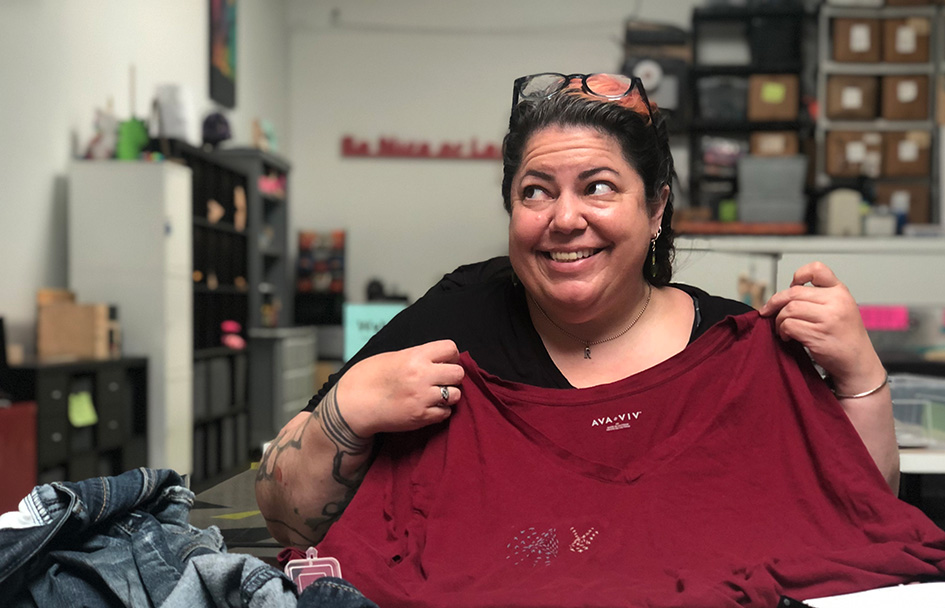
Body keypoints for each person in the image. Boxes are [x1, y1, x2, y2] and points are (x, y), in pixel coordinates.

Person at [255, 72, 899, 551]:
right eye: (535, 192)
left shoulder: (731, 354)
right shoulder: (458, 316)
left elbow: (861, 519)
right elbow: (283, 517)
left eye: (598, 187)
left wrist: (860, 377)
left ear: (656, 209)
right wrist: (344, 415)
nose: (565, 219)